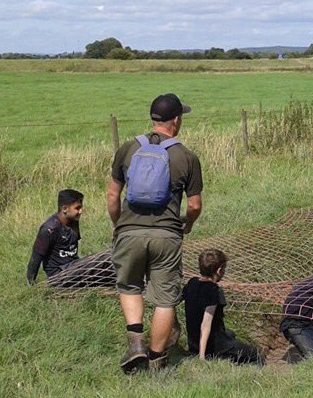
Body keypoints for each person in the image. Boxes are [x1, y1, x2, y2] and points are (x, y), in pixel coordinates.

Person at [107, 93, 203, 373]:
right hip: (167, 235)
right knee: (164, 299)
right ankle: (156, 359)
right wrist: (187, 224)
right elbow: (194, 205)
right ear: (176, 120)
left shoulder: (128, 149)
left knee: (129, 287)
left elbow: (112, 196)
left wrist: (119, 225)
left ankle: (136, 343)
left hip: (129, 231)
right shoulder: (187, 157)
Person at [183, 249, 263, 366]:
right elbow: (206, 325)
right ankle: (240, 368)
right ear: (219, 271)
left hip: (193, 342)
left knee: (230, 334)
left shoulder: (192, 282)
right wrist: (201, 357)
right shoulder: (214, 291)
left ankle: (229, 359)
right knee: (256, 354)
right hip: (214, 346)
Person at [26, 189, 83, 285]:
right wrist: (31, 284)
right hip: (59, 274)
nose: (81, 211)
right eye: (77, 208)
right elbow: (36, 258)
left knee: (104, 259)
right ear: (64, 209)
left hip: (74, 266)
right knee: (99, 262)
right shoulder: (49, 229)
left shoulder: (73, 221)